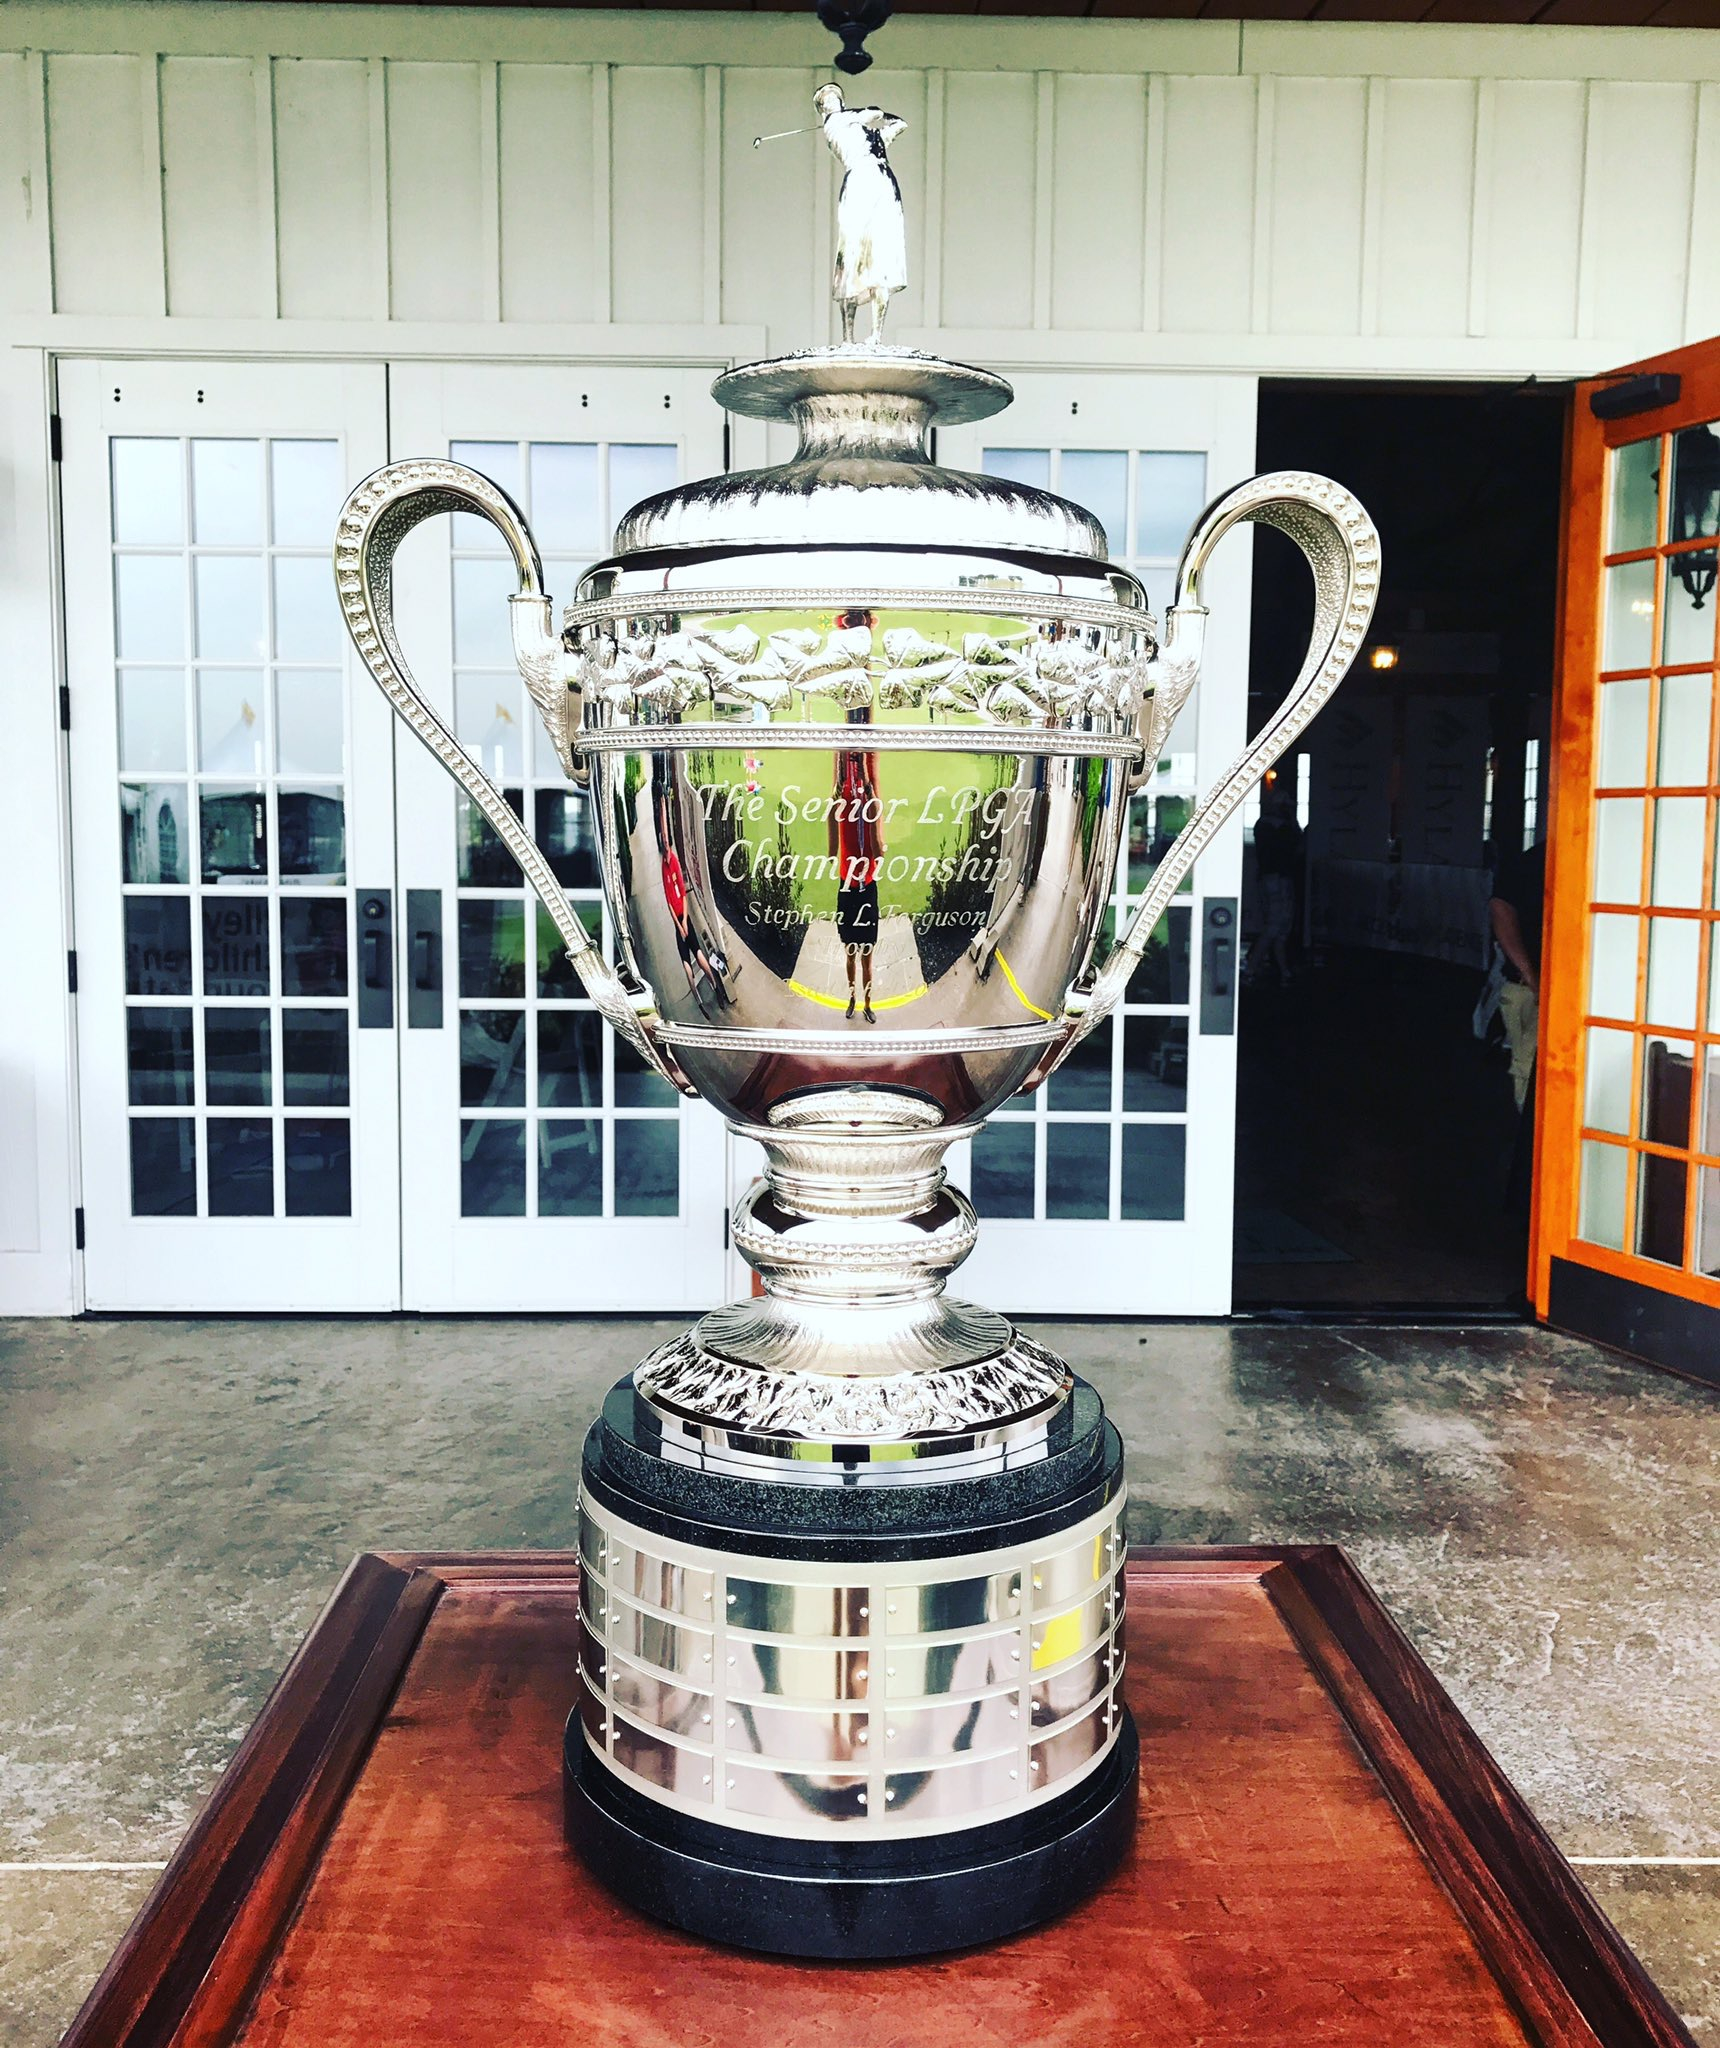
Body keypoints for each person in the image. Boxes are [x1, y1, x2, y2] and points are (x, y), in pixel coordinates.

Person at [814, 84, 907, 344]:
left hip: (882, 182)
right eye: (828, 101)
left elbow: (900, 124)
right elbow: (867, 114)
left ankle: (875, 335)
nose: (834, 103)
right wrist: (873, 114)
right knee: (850, 257)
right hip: (858, 185)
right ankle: (848, 337)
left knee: (882, 261)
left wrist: (881, 117)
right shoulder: (834, 125)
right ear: (823, 110)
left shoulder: (866, 132)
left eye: (836, 99)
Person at [831, 708, 883, 1023]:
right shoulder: (842, 792)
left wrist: (865, 773)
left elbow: (870, 772)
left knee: (867, 955)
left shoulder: (870, 794)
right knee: (850, 952)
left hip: (868, 887)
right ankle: (851, 998)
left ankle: (867, 1004)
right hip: (847, 887)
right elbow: (838, 775)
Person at [1489, 837, 1546, 1114]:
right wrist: (1533, 977)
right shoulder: (1534, 863)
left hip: (1523, 985)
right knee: (1528, 1066)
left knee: (1526, 1066)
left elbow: (1500, 908)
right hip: (1532, 988)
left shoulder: (1524, 863)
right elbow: (1501, 909)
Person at [1245, 791, 1303, 986]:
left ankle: (1282, 970)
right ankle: (1253, 966)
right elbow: (1296, 843)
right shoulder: (1280, 828)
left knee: (1277, 927)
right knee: (1276, 926)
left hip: (1271, 878)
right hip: (1278, 879)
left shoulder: (1263, 826)